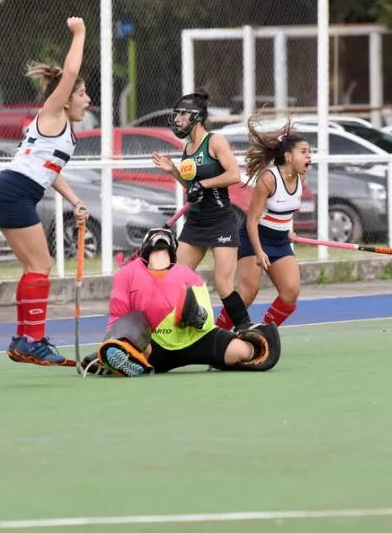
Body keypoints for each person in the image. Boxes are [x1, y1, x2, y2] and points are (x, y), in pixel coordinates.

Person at [0, 17, 90, 366]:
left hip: (15, 191)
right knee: (41, 265)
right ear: (65, 98)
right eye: (83, 94)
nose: (88, 100)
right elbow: (69, 74)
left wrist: (75, 200)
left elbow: (50, 173)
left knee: (32, 267)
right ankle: (33, 340)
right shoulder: (52, 113)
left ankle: (23, 340)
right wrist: (79, 33)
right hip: (12, 191)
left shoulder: (64, 131)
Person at [78, 227, 280, 377]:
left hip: (195, 339)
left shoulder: (186, 275)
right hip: (156, 344)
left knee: (247, 351)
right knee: (134, 326)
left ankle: (122, 355)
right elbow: (118, 320)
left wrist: (198, 316)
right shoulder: (127, 275)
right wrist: (113, 340)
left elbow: (208, 322)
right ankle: (121, 354)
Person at [151, 91, 252, 332]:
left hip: (220, 221)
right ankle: (196, 319)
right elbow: (192, 188)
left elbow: (234, 175)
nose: (177, 121)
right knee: (177, 278)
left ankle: (246, 328)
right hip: (196, 221)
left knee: (223, 283)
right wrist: (173, 171)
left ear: (196, 117)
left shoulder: (215, 141)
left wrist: (204, 184)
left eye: (182, 115)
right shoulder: (188, 148)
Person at [233, 115, 312, 327]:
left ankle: (263, 333)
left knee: (290, 292)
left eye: (309, 152)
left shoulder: (300, 177)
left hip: (280, 241)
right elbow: (251, 221)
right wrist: (259, 251)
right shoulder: (268, 179)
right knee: (248, 293)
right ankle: (216, 336)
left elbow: (285, 210)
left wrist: (287, 230)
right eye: (303, 152)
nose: (309, 157)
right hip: (254, 239)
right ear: (288, 156)